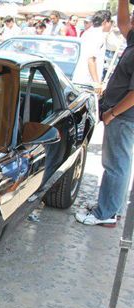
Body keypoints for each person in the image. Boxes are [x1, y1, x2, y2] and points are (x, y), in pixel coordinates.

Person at [76, 0, 134, 227]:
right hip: (120, 115)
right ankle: (110, 207)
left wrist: (112, 113)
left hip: (123, 116)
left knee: (116, 166)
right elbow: (122, 22)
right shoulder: (132, 39)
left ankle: (106, 214)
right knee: (118, 165)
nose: (131, 18)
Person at [73, 10, 112, 91]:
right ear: (105, 21)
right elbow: (91, 60)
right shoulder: (98, 36)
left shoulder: (87, 32)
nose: (111, 25)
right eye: (110, 22)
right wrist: (96, 83)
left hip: (80, 78)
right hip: (88, 82)